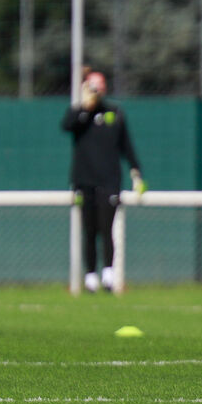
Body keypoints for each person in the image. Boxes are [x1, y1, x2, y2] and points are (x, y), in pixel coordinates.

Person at [61, 70, 146, 292]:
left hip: (109, 180)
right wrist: (83, 106)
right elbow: (66, 126)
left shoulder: (114, 113)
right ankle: (90, 276)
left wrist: (136, 171)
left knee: (106, 228)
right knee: (89, 230)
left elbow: (126, 145)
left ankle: (108, 273)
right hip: (84, 181)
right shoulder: (80, 115)